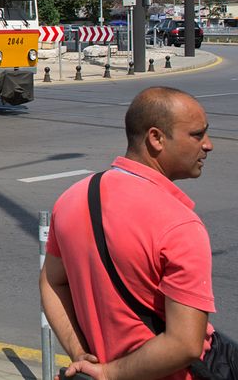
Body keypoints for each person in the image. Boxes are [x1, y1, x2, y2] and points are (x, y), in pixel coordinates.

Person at [40, 86, 224, 380]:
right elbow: (186, 344)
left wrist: (81, 355)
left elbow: (51, 282)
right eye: (197, 134)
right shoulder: (181, 225)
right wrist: (109, 374)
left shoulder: (73, 198)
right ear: (156, 139)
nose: (208, 145)